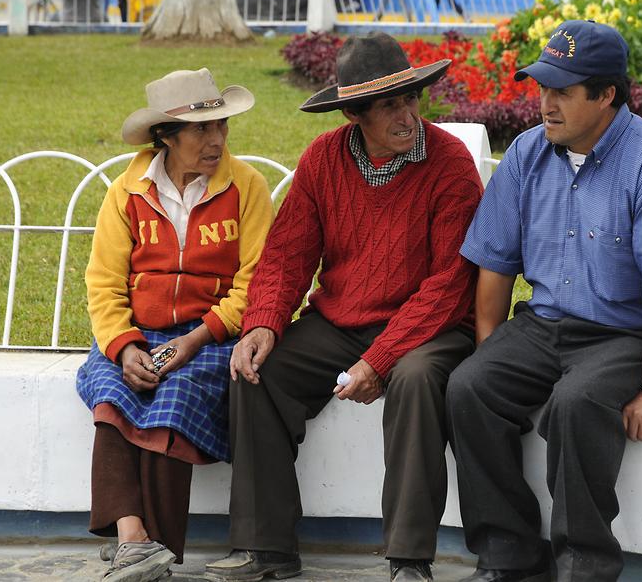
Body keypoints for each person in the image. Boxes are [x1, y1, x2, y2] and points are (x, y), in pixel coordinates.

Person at [204, 33, 483, 582]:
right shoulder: (324, 159)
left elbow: (452, 283)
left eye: (410, 99)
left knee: (418, 380)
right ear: (355, 113)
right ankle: (268, 550)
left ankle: (408, 558)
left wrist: (379, 360)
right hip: (340, 320)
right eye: (389, 106)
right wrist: (262, 324)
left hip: (430, 326)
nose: (407, 115)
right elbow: (286, 255)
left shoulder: (451, 165)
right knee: (256, 373)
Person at [446, 20, 642, 581]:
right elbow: (494, 265)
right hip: (544, 325)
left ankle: (584, 565)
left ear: (606, 95)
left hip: (627, 334)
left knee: (576, 404)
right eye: (542, 88)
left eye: (563, 91)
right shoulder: (526, 153)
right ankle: (508, 555)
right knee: (470, 387)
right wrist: (491, 353)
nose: (546, 103)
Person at [76, 68, 275, 582]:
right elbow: (103, 281)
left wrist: (195, 338)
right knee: (111, 391)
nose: (217, 140)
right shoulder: (126, 192)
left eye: (221, 127)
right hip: (138, 333)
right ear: (165, 136)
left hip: (209, 334)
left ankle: (145, 549)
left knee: (175, 395)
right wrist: (123, 347)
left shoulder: (248, 188)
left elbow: (254, 281)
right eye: (201, 130)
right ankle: (134, 540)